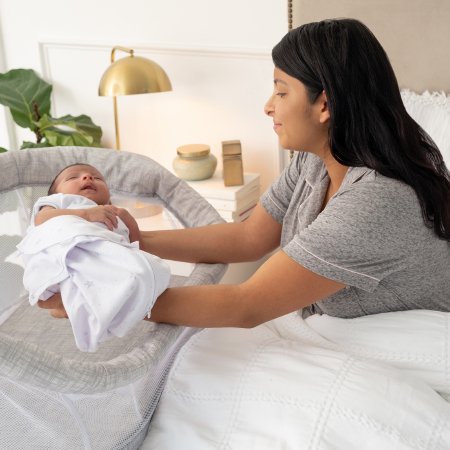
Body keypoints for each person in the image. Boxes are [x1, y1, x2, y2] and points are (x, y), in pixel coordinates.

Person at [38, 18, 450, 443]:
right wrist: (137, 239)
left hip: (401, 335)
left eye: (281, 91)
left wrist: (104, 301)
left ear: (324, 105)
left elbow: (246, 305)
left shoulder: (377, 200)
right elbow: (249, 237)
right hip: (332, 321)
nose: (268, 107)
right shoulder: (317, 158)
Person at [18, 163, 170, 351]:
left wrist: (132, 225)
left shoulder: (113, 214)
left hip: (103, 261)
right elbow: (41, 219)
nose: (88, 177)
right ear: (56, 192)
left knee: (152, 270)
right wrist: (86, 214)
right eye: (73, 177)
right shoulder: (61, 201)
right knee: (120, 275)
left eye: (97, 178)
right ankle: (74, 303)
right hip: (67, 251)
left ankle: (76, 305)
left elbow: (137, 249)